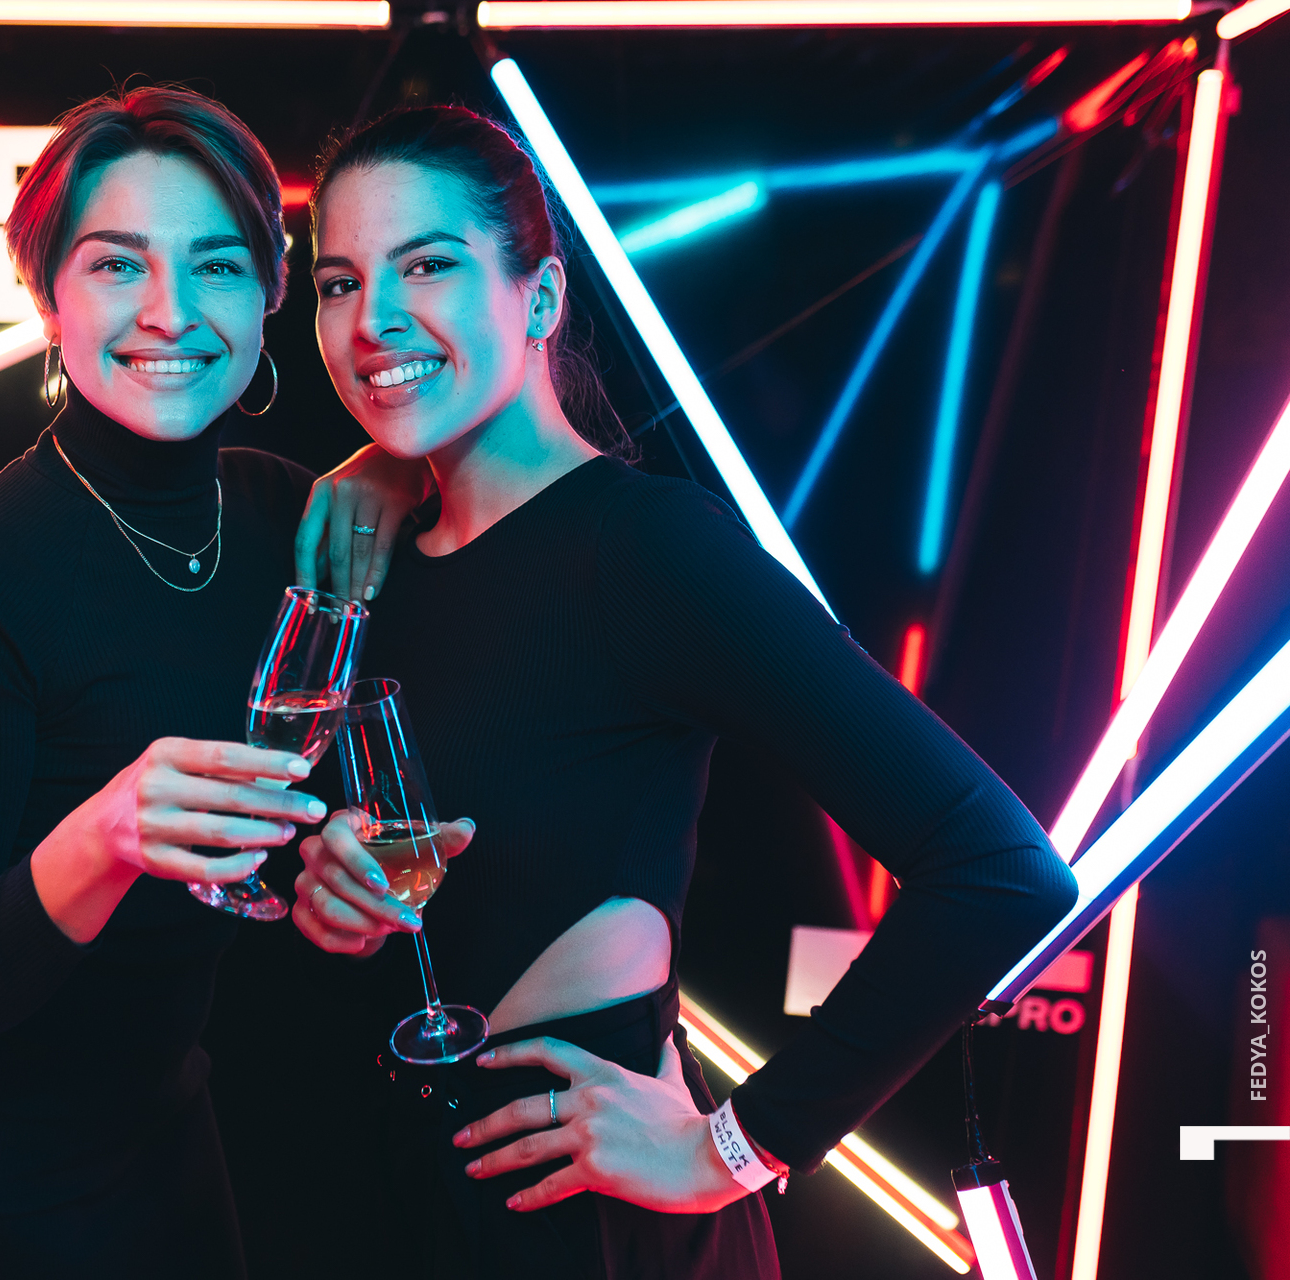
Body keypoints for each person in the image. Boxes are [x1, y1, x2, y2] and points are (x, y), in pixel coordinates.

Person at [291, 105, 1079, 1279]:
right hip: (406, 1210)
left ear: (540, 299)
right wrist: (334, 890)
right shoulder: (371, 555)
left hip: (595, 1231)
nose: (373, 319)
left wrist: (733, 1146)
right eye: (340, 283)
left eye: (429, 265)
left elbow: (1002, 871)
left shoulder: (650, 551)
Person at [0, 85, 442, 1279]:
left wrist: (397, 463)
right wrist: (107, 834)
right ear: (48, 294)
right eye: (117, 265)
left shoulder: (287, 516)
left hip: (162, 1137)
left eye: (217, 266)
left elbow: (280, 816)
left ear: (270, 293)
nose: (171, 312)